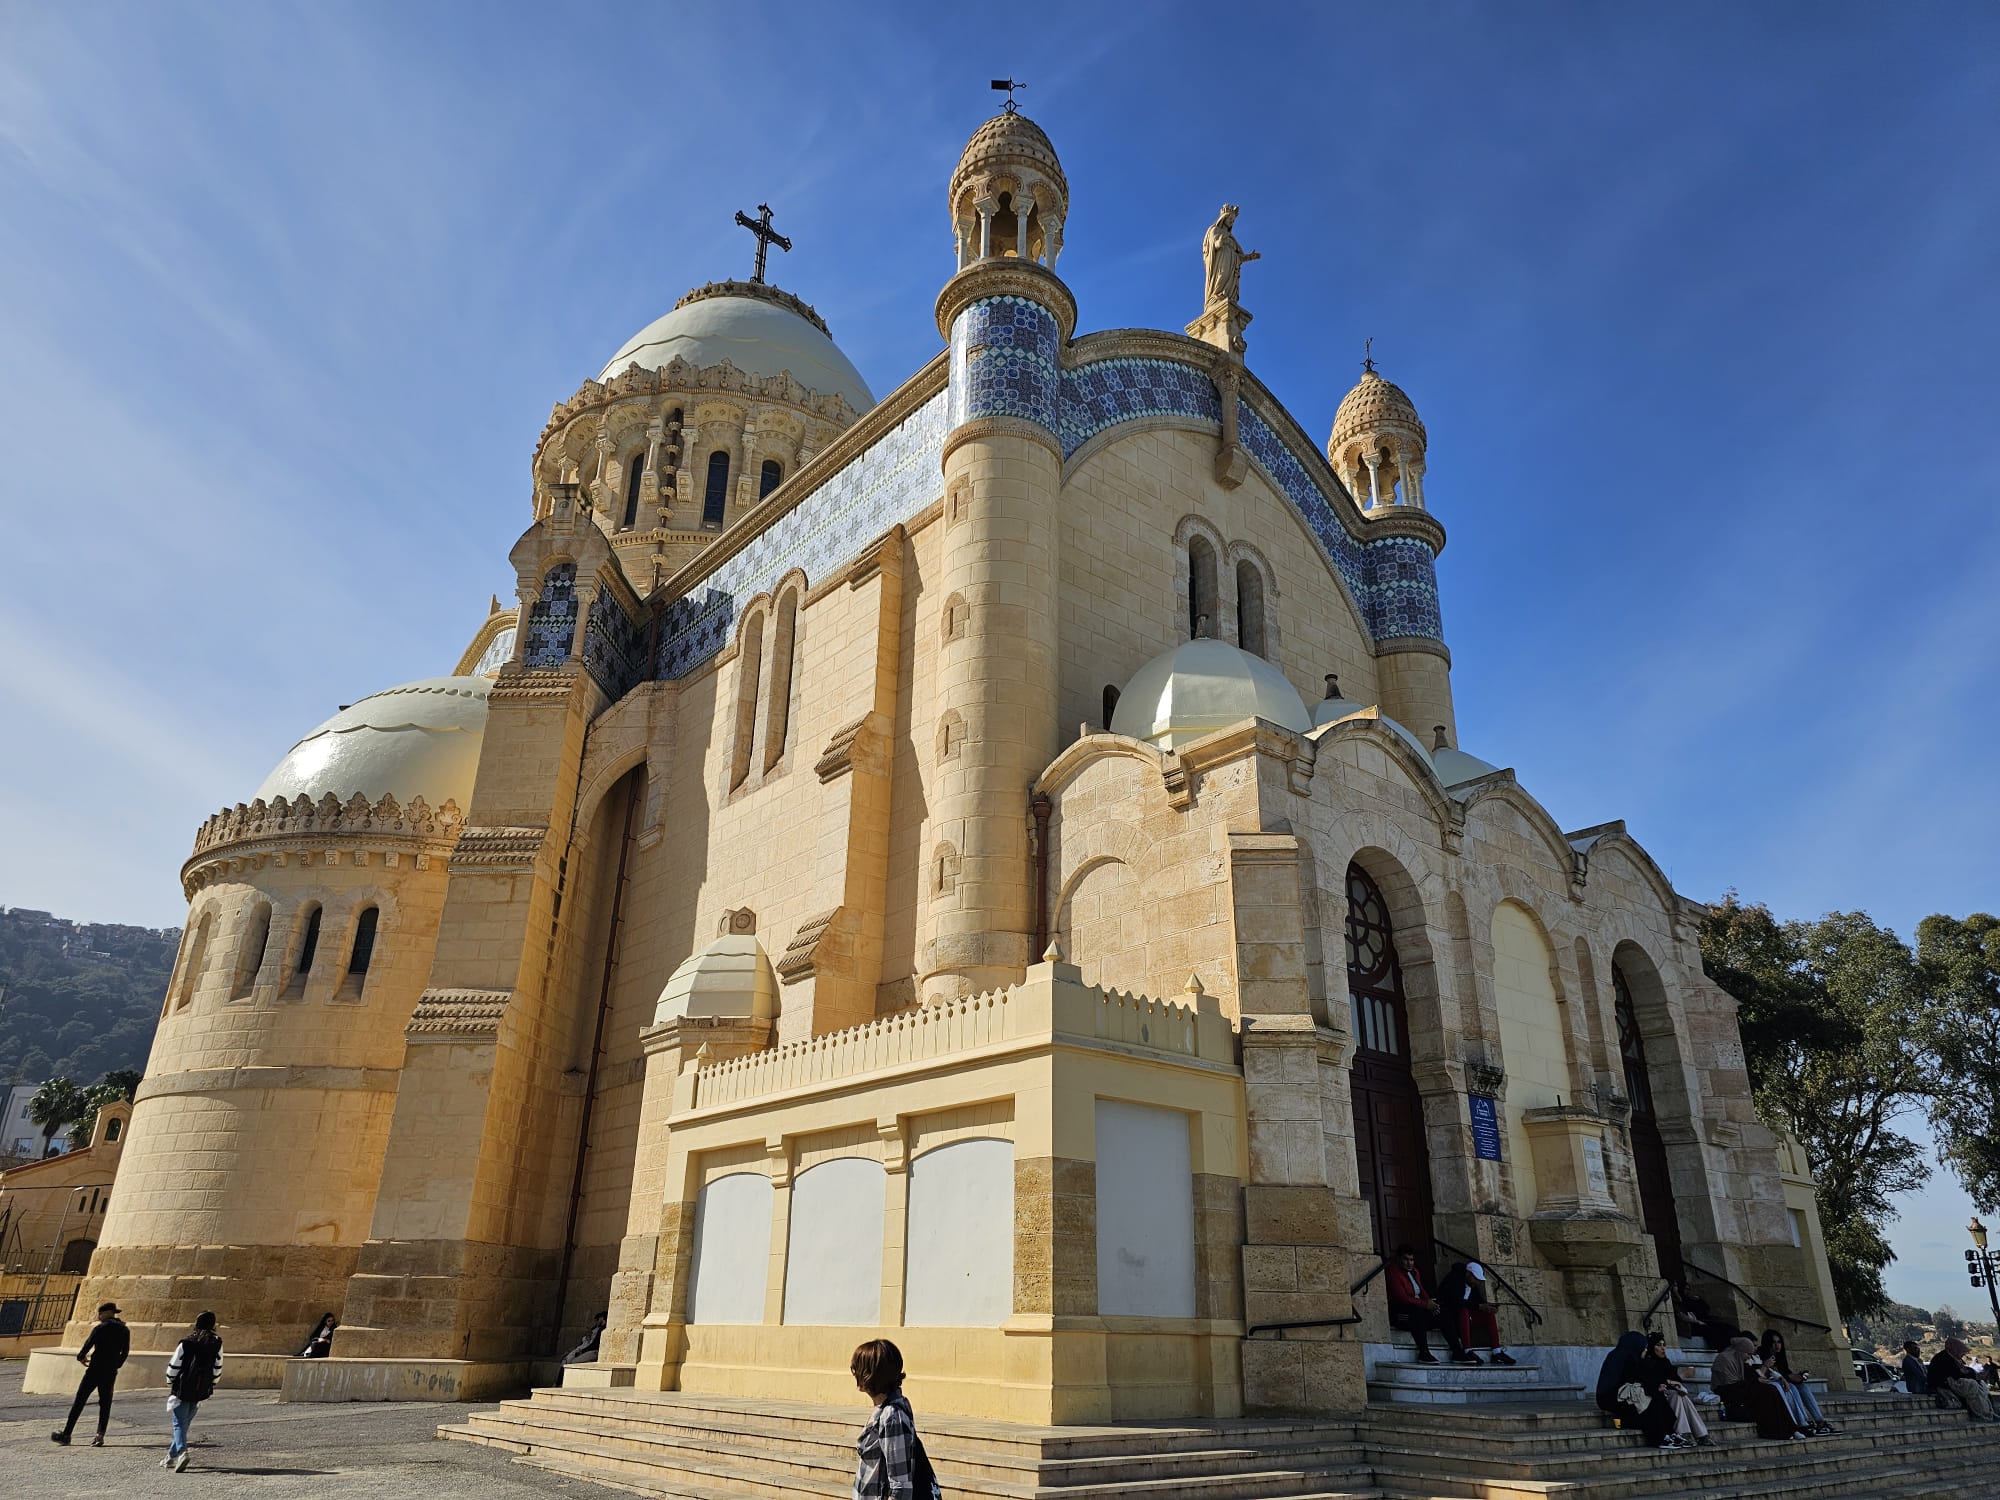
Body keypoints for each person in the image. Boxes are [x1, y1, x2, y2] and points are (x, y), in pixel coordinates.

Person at [850, 1339, 941, 1500]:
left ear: (871, 1374)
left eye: (858, 1366)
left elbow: (900, 1487)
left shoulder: (891, 1417)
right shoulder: (885, 1409)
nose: (854, 1371)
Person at [50, 1301, 129, 1447]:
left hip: (95, 1369)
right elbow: (125, 1352)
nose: (98, 1316)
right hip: (110, 1371)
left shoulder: (101, 1328)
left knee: (80, 1400)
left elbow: (89, 1343)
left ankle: (66, 1434)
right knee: (105, 1403)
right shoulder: (124, 1330)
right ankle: (100, 1435)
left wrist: (81, 1356)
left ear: (105, 1313)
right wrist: (116, 1365)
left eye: (100, 1313)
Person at [1710, 1334, 1806, 1440]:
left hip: (1739, 1388)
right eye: (1747, 1353)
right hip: (1727, 1392)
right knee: (1767, 1392)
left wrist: (1757, 1380)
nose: (1749, 1357)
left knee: (1771, 1390)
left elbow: (1749, 1377)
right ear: (1741, 1351)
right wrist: (1755, 1381)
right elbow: (1728, 1385)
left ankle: (1791, 1429)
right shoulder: (1724, 1359)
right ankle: (1778, 1431)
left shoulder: (1738, 1359)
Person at [163, 1311, 224, 1471]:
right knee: (184, 1423)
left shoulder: (187, 1342)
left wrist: (170, 1381)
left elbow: (174, 1365)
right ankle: (170, 1457)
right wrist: (212, 1383)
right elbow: (218, 1365)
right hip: (201, 1388)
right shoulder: (216, 1342)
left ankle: (182, 1452)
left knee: (178, 1424)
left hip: (183, 1387)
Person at [1385, 1245, 1464, 1365]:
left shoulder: (1414, 1272)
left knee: (1444, 1312)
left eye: (1411, 1260)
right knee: (1416, 1311)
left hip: (1418, 1309)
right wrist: (1425, 1304)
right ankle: (1424, 1352)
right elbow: (1401, 1298)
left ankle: (1457, 1352)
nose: (1409, 1263)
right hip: (1402, 1314)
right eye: (1406, 1259)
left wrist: (1431, 1304)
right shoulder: (1393, 1272)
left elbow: (1421, 1290)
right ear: (1399, 1259)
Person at [1594, 1331, 1674, 1447]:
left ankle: (1668, 1433)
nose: (1646, 1350)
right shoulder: (1625, 1357)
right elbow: (1630, 1381)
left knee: (1654, 1396)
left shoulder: (1628, 1356)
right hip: (1611, 1397)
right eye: (1644, 1347)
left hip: (1621, 1396)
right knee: (1648, 1399)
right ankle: (1659, 1437)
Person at [1637, 1330, 1710, 1447]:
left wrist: (1676, 1384)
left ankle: (1701, 1434)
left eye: (1664, 1345)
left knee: (1682, 1396)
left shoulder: (1665, 1361)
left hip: (1670, 1393)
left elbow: (1675, 1378)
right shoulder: (1647, 1362)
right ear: (1652, 1347)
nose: (1663, 1348)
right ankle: (1684, 1433)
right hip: (1656, 1394)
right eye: (1658, 1345)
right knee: (1676, 1395)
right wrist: (1669, 1382)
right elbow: (1651, 1381)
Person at [1435, 1260, 1517, 1366]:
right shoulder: (1455, 1280)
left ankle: (1497, 1352)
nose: (1476, 1282)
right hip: (1450, 1316)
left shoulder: (1472, 1285)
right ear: (1468, 1274)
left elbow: (1477, 1301)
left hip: (1465, 1317)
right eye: (1475, 1279)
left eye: (1478, 1280)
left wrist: (1488, 1306)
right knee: (1464, 1311)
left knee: (1488, 1315)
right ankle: (1467, 1350)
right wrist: (1479, 1306)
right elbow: (1455, 1301)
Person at [1757, 1329, 1834, 1433]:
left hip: (1782, 1383)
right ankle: (1803, 1422)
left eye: (1779, 1342)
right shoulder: (1761, 1355)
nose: (1777, 1345)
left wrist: (1798, 1377)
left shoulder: (1780, 1357)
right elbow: (1767, 1375)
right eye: (1774, 1342)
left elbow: (1785, 1373)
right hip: (1771, 1385)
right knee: (1792, 1387)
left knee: (1802, 1386)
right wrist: (1789, 1377)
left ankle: (1820, 1421)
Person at [1929, 1338, 2000, 1422]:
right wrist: (1969, 1374)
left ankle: (1989, 1413)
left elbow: (1965, 1370)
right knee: (1972, 1386)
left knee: (1982, 1387)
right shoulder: (1942, 1358)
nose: (1963, 1354)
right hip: (1945, 1383)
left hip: (1957, 1381)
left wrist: (1972, 1374)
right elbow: (1953, 1374)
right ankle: (1980, 1414)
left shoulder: (1954, 1357)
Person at [1670, 1281, 1735, 1349]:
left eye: (1689, 1289)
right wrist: (1697, 1321)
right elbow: (1681, 1315)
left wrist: (1699, 1300)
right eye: (1686, 1289)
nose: (1688, 1291)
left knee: (1722, 1327)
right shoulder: (1676, 1301)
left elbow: (1705, 1309)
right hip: (1689, 1326)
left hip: (1697, 1321)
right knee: (1710, 1329)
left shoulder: (1689, 1299)